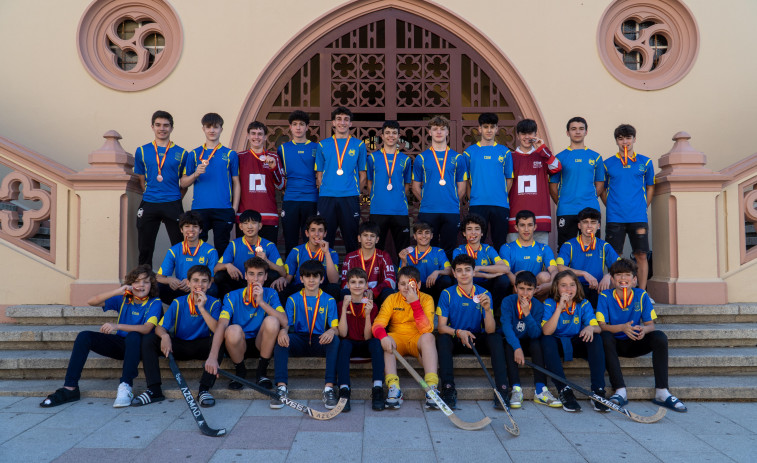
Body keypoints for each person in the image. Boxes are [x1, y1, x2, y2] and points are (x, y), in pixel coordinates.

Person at [40, 265, 161, 408]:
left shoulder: (155, 303)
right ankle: (70, 388)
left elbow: (147, 329)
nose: (141, 285)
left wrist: (117, 326)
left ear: (151, 285)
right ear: (130, 284)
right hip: (121, 345)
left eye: (146, 282)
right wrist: (118, 290)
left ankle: (126, 386)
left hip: (139, 348)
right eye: (137, 281)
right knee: (84, 336)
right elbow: (92, 301)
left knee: (134, 336)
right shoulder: (124, 299)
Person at [597, 259, 687, 412]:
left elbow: (650, 325)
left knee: (659, 337)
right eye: (619, 275)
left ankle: (662, 391)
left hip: (634, 341)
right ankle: (620, 390)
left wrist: (643, 331)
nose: (623, 279)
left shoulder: (641, 295)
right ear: (612, 279)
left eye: (627, 275)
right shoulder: (605, 296)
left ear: (634, 280)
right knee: (604, 337)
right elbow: (602, 326)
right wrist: (623, 328)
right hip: (615, 345)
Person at [132, 265, 223, 407]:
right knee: (149, 339)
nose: (200, 285)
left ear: (210, 284)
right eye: (195, 280)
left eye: (204, 281)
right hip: (180, 345)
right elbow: (160, 328)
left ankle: (204, 390)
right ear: (188, 283)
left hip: (203, 346)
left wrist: (202, 308)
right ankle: (154, 390)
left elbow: (218, 330)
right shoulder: (178, 302)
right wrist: (165, 336)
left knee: (219, 340)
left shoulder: (215, 303)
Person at [436, 255, 509, 409]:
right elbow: (441, 327)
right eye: (459, 271)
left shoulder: (484, 293)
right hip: (456, 337)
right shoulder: (447, 294)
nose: (463, 274)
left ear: (474, 272)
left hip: (476, 338)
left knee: (495, 338)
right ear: (454, 274)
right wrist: (458, 332)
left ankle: (502, 390)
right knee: (442, 338)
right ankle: (448, 389)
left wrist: (488, 310)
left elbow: (489, 330)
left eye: (467, 270)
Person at [208, 257, 287, 391]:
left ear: (266, 277)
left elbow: (284, 321)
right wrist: (213, 356)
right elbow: (221, 325)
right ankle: (240, 372)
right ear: (245, 276)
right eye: (251, 274)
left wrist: (261, 302)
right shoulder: (231, 296)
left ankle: (261, 372)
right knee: (232, 330)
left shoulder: (271, 293)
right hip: (239, 344)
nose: (255, 279)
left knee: (273, 321)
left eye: (260, 274)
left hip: (260, 342)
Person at [272, 259, 341, 409]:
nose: (311, 280)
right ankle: (281, 388)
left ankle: (329, 388)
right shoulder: (293, 299)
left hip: (319, 340)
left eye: (315, 276)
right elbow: (286, 324)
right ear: (301, 279)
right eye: (307, 276)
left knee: (335, 340)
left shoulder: (329, 300)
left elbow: (336, 327)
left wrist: (331, 330)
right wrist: (282, 331)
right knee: (281, 339)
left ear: (321, 279)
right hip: (300, 339)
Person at [372, 266, 438, 409]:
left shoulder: (427, 299)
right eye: (402, 284)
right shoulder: (392, 298)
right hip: (398, 338)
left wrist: (414, 302)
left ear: (419, 285)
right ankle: (394, 388)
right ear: (397, 285)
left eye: (411, 284)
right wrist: (383, 337)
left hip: (418, 338)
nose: (406, 288)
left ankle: (431, 386)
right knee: (387, 339)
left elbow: (427, 329)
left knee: (429, 337)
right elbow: (377, 324)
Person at [541, 270, 608, 413]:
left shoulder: (583, 304)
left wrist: (590, 328)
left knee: (595, 337)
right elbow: (547, 331)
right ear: (556, 288)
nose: (568, 289)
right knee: (546, 340)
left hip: (575, 341)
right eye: (563, 285)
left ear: (577, 287)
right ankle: (564, 389)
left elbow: (598, 328)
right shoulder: (549, 303)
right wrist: (559, 308)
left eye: (572, 285)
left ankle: (598, 390)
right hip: (557, 343)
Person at [602, 124, 655, 290]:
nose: (625, 142)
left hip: (638, 217)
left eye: (628, 138)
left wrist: (642, 207)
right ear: (616, 141)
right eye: (621, 138)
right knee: (614, 256)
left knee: (641, 255)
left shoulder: (645, 162)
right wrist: (610, 205)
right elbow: (602, 189)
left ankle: (642, 293)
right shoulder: (607, 164)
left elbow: (650, 187)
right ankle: (614, 292)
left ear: (634, 139)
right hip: (615, 217)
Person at [180, 112, 240, 256]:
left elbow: (236, 182)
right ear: (203, 129)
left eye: (216, 127)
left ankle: (221, 278)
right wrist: (195, 174)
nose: (212, 130)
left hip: (223, 208)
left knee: (223, 247)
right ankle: (198, 278)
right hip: (200, 208)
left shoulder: (230, 154)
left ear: (221, 129)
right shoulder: (194, 154)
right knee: (197, 246)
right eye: (208, 127)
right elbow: (183, 183)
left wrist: (234, 208)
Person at [500, 271, 561, 409]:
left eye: (529, 289)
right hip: (513, 340)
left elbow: (535, 333)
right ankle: (516, 388)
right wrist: (517, 348)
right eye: (521, 288)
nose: (525, 293)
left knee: (537, 343)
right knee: (509, 344)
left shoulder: (538, 306)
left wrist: (527, 313)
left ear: (535, 290)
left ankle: (540, 389)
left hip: (529, 339)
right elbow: (507, 328)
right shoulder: (508, 302)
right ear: (515, 288)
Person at [134, 110, 187, 266]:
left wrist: (173, 198)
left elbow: (184, 184)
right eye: (158, 125)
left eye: (166, 125)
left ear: (171, 128)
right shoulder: (142, 151)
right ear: (152, 127)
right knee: (145, 247)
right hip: (149, 202)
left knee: (179, 246)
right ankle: (144, 283)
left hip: (173, 202)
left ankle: (181, 282)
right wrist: (152, 194)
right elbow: (141, 179)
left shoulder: (182, 153)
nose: (162, 128)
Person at [412, 116, 467, 258]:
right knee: (428, 247)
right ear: (429, 132)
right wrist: (426, 201)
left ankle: (446, 279)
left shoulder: (457, 158)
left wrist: (453, 200)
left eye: (442, 129)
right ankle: (429, 279)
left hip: (450, 210)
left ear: (448, 132)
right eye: (435, 129)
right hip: (428, 210)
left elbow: (462, 186)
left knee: (449, 247)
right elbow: (415, 187)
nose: (439, 132)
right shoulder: (421, 158)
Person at [316, 106, 367, 253]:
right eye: (339, 119)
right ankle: (324, 273)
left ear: (350, 123)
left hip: (349, 197)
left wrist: (355, 192)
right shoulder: (322, 145)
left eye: (346, 119)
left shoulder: (359, 145)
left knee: (351, 237)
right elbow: (319, 174)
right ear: (333, 122)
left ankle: (352, 274)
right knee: (325, 238)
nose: (342, 122)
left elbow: (362, 174)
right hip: (327, 197)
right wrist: (326, 188)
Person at [550, 117, 605, 249]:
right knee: (565, 248)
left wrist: (588, 198)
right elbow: (552, 186)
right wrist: (563, 202)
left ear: (586, 132)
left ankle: (590, 271)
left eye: (581, 129)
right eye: (573, 129)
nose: (577, 132)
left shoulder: (596, 157)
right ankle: (567, 271)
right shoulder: (559, 157)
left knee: (593, 247)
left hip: (590, 210)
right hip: (566, 210)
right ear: (567, 133)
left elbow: (600, 185)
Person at [336, 268, 386, 412]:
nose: (357, 286)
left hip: (365, 343)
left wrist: (368, 314)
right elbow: (343, 333)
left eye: (360, 282)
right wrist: (345, 307)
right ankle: (344, 389)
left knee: (376, 343)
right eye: (353, 282)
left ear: (366, 286)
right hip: (349, 343)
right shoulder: (341, 305)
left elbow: (367, 336)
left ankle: (377, 388)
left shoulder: (372, 305)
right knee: (343, 344)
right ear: (347, 285)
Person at [464, 112, 514, 250]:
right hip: (477, 203)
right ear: (479, 129)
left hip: (500, 204)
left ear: (497, 129)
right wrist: (471, 196)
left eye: (492, 127)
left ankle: (501, 271)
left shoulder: (504, 152)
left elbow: (509, 178)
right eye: (485, 127)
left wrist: (502, 195)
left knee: (500, 242)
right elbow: (466, 179)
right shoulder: (469, 152)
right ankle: (476, 270)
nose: (489, 130)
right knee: (476, 242)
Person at [508, 119, 561, 244]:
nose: (527, 137)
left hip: (540, 216)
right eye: (523, 133)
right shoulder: (509, 157)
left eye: (530, 133)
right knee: (513, 257)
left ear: (536, 134)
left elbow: (557, 167)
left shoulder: (542, 155)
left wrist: (542, 148)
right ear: (518, 135)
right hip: (514, 216)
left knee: (541, 257)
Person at [366, 120, 413, 258]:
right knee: (376, 248)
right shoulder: (373, 158)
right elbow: (369, 182)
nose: (390, 136)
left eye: (394, 133)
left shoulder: (405, 160)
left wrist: (398, 198)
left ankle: (402, 278)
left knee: (403, 249)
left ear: (399, 136)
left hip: (400, 210)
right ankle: (377, 277)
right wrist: (376, 197)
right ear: (382, 135)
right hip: (378, 209)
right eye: (387, 133)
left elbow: (407, 184)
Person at [557, 207, 619, 309]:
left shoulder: (604, 246)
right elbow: (559, 267)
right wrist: (584, 273)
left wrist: (608, 276)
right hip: (575, 288)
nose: (589, 226)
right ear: (579, 225)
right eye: (585, 222)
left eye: (593, 222)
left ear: (598, 226)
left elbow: (620, 267)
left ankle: (611, 316)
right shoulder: (569, 245)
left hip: (598, 287)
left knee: (616, 279)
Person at [214, 209, 284, 298]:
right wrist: (227, 265)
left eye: (253, 223)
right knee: (220, 276)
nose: (249, 227)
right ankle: (228, 303)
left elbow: (282, 272)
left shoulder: (269, 245)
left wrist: (267, 261)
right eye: (246, 223)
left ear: (260, 226)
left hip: (260, 282)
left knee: (275, 277)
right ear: (240, 226)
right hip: (239, 281)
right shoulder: (234, 244)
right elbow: (216, 268)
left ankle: (268, 302)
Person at [278, 110, 320, 256]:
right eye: (295, 124)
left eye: (302, 124)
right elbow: (279, 174)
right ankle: (291, 274)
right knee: (290, 239)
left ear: (307, 127)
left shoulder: (316, 148)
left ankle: (311, 273)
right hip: (291, 199)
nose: (298, 127)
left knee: (312, 240)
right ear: (290, 127)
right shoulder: (283, 149)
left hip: (311, 199)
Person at [451, 214, 510, 316]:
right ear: (464, 233)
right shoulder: (459, 250)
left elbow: (505, 268)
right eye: (469, 229)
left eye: (477, 229)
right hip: (468, 283)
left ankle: (492, 311)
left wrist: (479, 268)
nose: (473, 232)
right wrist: (486, 274)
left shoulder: (488, 249)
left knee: (503, 280)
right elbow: (459, 272)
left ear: (482, 233)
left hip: (487, 284)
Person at [272, 215, 340, 301]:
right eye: (313, 230)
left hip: (321, 289)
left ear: (325, 233)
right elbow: (288, 279)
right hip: (300, 288)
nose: (316, 234)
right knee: (279, 286)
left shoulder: (332, 253)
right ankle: (284, 314)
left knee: (335, 289)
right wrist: (282, 279)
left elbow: (334, 281)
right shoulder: (296, 251)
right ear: (307, 233)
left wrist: (326, 252)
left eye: (320, 230)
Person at [237, 121, 284, 244]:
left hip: (268, 216)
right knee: (244, 257)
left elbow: (281, 185)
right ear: (248, 136)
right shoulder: (239, 157)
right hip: (245, 216)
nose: (256, 137)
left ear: (265, 137)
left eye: (259, 134)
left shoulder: (274, 157)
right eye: (253, 133)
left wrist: (273, 168)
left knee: (267, 257)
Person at [156, 211, 219, 304]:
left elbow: (212, 279)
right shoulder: (174, 250)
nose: (191, 230)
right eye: (187, 226)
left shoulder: (210, 251)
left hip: (200, 288)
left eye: (195, 226)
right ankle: (176, 308)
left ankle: (203, 311)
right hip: (181, 288)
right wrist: (169, 280)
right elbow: (159, 277)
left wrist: (191, 283)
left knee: (213, 289)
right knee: (157, 287)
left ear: (200, 230)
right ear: (181, 229)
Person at [500, 210, 558, 298]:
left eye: (530, 225)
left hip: (537, 288)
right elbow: (506, 272)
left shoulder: (544, 248)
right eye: (522, 225)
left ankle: (540, 309)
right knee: (521, 275)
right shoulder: (507, 248)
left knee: (545, 276)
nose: (526, 229)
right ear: (516, 227)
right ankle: (517, 309)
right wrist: (525, 287)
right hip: (517, 288)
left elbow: (554, 270)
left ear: (535, 227)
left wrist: (550, 284)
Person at [340, 221, 396, 308]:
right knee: (344, 293)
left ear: (377, 239)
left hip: (377, 295)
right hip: (356, 294)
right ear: (359, 238)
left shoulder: (384, 256)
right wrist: (360, 292)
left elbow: (391, 281)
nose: (369, 239)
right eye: (365, 235)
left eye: (372, 236)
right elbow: (344, 283)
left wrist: (374, 291)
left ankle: (386, 320)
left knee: (388, 292)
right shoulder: (350, 257)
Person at [398, 222, 453, 304]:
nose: (424, 236)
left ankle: (439, 308)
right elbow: (400, 276)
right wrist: (404, 261)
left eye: (427, 233)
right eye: (420, 233)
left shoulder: (438, 252)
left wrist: (437, 272)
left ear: (431, 236)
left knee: (446, 280)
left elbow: (450, 271)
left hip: (434, 287)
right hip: (416, 288)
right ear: (415, 236)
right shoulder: (408, 253)